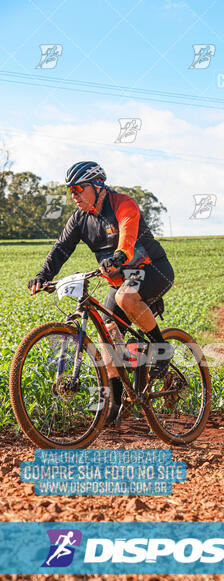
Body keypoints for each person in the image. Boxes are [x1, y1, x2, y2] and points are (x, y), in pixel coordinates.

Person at [27, 161, 175, 421]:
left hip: (152, 270)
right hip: (119, 280)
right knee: (109, 339)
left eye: (78, 189)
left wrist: (119, 256)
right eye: (70, 191)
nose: (73, 195)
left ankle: (162, 347)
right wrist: (44, 275)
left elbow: (127, 236)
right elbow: (61, 248)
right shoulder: (80, 219)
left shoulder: (123, 204)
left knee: (124, 296)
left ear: (98, 187)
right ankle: (116, 405)